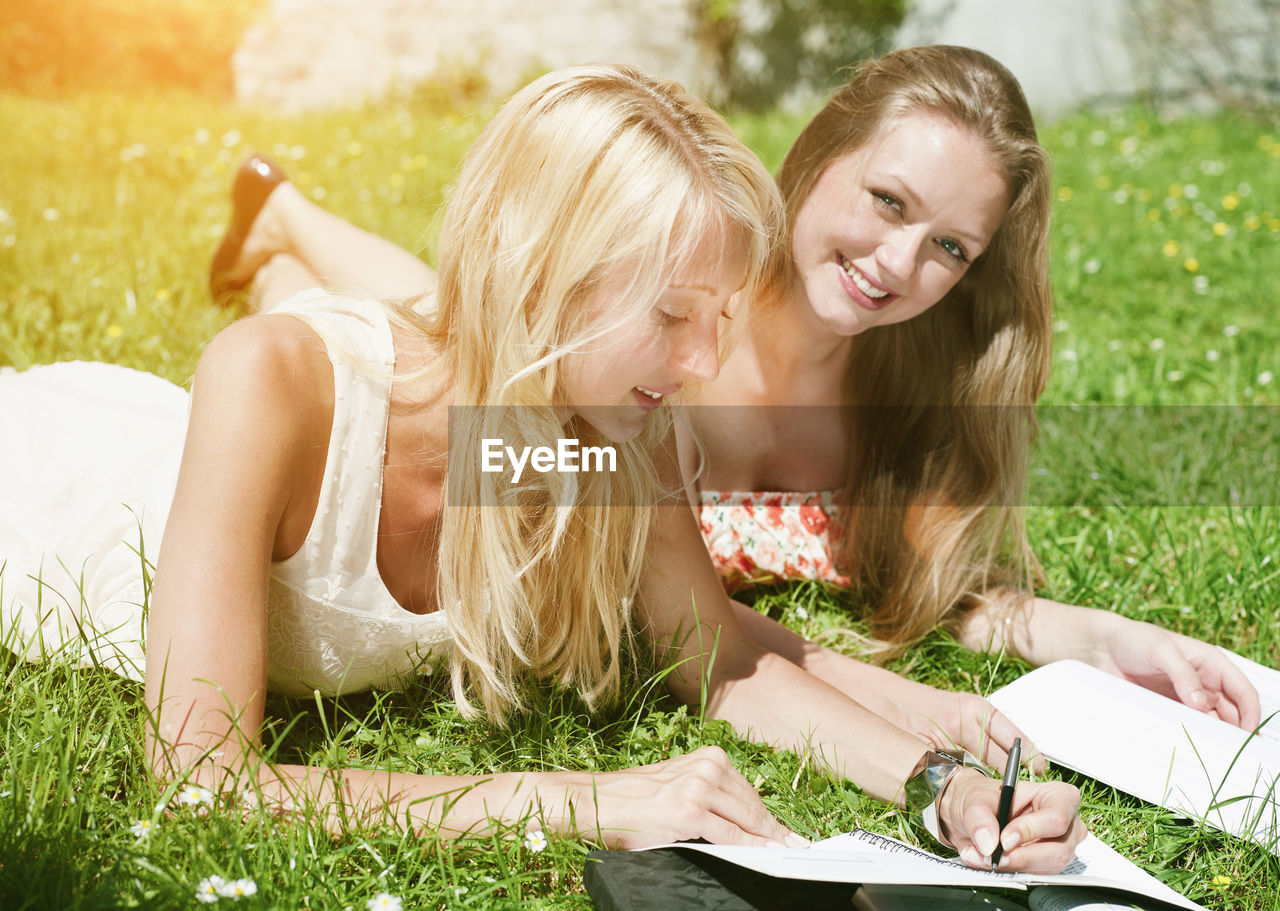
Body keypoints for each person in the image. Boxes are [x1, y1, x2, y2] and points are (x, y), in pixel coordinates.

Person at [0, 64, 1085, 869]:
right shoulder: (271, 381)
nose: (703, 362)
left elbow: (713, 660)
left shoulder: (603, 428)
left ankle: (281, 241)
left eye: (715, 318)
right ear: (547, 270)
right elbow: (200, 781)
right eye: (670, 314)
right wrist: (585, 796)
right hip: (46, 479)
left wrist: (937, 780)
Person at [203, 47, 1261, 778]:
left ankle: (279, 230)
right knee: (404, 316)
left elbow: (925, 589)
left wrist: (1108, 638)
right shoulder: (664, 322)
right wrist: (896, 711)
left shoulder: (895, 403)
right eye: (886, 202)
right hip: (477, 365)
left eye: (949, 247)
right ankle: (283, 225)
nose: (899, 263)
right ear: (816, 157)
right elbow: (675, 623)